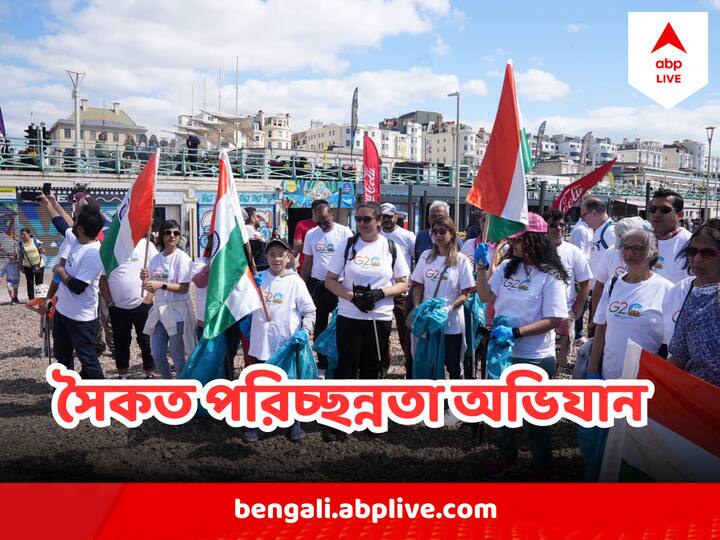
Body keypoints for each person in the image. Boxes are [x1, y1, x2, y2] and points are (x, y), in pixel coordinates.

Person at [476, 212, 568, 479]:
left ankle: (543, 468)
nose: (513, 244)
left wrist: (516, 332)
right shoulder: (507, 268)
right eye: (513, 240)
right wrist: (482, 268)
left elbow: (554, 319)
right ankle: (507, 456)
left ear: (534, 240)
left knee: (534, 418)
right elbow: (485, 296)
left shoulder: (550, 276)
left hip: (534, 357)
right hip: (502, 354)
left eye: (518, 240)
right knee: (502, 412)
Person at [324, 201, 410, 438]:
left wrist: (380, 293)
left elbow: (403, 282)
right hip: (350, 315)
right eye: (358, 219)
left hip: (379, 317)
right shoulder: (348, 245)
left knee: (373, 367)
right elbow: (329, 281)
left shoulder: (390, 247)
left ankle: (370, 416)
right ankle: (339, 421)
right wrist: (352, 297)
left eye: (366, 219)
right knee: (346, 367)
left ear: (379, 221)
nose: (361, 224)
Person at [244, 238, 316, 442]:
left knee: (289, 384)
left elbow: (309, 310)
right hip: (261, 344)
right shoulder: (258, 279)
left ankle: (294, 421)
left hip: (286, 345)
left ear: (288, 257)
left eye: (281, 254)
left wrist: (306, 330)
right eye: (272, 254)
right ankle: (260, 422)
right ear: (266, 257)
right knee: (261, 384)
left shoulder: (295, 281)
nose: (276, 258)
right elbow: (244, 304)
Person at [589, 229, 672, 380]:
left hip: (645, 380)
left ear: (653, 253)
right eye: (626, 247)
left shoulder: (667, 289)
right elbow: (601, 328)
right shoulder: (613, 283)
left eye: (637, 248)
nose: (629, 253)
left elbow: (671, 344)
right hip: (609, 376)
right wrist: (593, 371)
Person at [410, 216, 474, 379]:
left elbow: (466, 292)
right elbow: (418, 285)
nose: (438, 235)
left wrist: (449, 308)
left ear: (452, 234)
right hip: (428, 320)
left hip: (451, 321)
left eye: (442, 231)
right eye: (434, 231)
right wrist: (418, 307)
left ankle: (452, 400)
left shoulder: (461, 260)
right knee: (427, 360)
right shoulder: (425, 256)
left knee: (452, 364)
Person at [51, 202, 105, 379]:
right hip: (62, 313)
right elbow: (60, 224)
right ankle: (66, 396)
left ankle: (101, 397)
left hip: (81, 319)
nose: (72, 225)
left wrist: (61, 271)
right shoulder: (76, 239)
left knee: (88, 359)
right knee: (62, 358)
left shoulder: (93, 253)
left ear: (81, 228)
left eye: (75, 223)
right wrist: (47, 202)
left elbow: (78, 287)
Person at [301, 201, 353, 375]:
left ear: (331, 215)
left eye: (326, 221)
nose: (323, 225)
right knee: (320, 323)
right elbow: (307, 262)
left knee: (341, 322)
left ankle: (341, 356)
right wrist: (304, 285)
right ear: (314, 216)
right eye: (319, 221)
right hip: (319, 284)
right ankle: (322, 360)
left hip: (340, 284)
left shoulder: (344, 232)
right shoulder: (311, 234)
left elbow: (351, 260)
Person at [667, 221, 720, 387]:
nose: (697, 259)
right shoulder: (696, 297)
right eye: (692, 251)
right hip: (697, 400)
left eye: (708, 253)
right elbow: (678, 357)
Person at [142, 220, 196, 379]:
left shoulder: (182, 258)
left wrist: (162, 285)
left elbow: (184, 288)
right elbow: (152, 287)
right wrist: (145, 281)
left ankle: (181, 387)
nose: (172, 236)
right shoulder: (155, 259)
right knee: (157, 353)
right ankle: (167, 381)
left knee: (178, 356)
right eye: (168, 232)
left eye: (176, 233)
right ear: (162, 235)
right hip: (160, 311)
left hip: (177, 312)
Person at [99, 237, 158, 379]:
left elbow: (158, 271)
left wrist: (149, 297)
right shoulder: (109, 247)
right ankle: (123, 375)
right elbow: (102, 279)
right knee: (120, 342)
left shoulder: (146, 245)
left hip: (142, 303)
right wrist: (109, 303)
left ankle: (149, 374)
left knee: (146, 340)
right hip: (117, 307)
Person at [543, 210, 592, 368]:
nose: (559, 228)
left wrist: (575, 311)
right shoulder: (536, 251)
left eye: (562, 225)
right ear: (544, 227)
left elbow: (585, 283)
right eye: (553, 225)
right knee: (542, 355)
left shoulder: (573, 252)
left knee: (560, 359)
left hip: (564, 313)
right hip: (538, 313)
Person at [380, 202, 416, 376]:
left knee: (405, 330)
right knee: (383, 331)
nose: (386, 220)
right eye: (383, 217)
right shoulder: (374, 236)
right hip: (382, 292)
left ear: (396, 217)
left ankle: (409, 365)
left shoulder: (408, 236)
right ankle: (384, 365)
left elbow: (418, 259)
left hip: (402, 291)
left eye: (389, 216)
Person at [648, 189, 691, 284]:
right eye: (653, 209)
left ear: (679, 215)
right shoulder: (643, 239)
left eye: (664, 210)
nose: (656, 214)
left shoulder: (689, 244)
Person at [292, 199, 327, 274]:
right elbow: (297, 247)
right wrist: (312, 240)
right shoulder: (302, 225)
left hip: (326, 272)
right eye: (321, 210)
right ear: (314, 211)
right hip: (306, 270)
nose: (324, 213)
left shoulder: (330, 227)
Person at [18, 228, 46, 300]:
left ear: (29, 234)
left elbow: (44, 252)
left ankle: (40, 299)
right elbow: (21, 256)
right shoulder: (21, 244)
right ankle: (31, 299)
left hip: (39, 265)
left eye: (24, 234)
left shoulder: (35, 241)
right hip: (28, 266)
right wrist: (20, 266)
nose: (22, 236)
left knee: (39, 283)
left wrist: (42, 249)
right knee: (30, 283)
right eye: (21, 235)